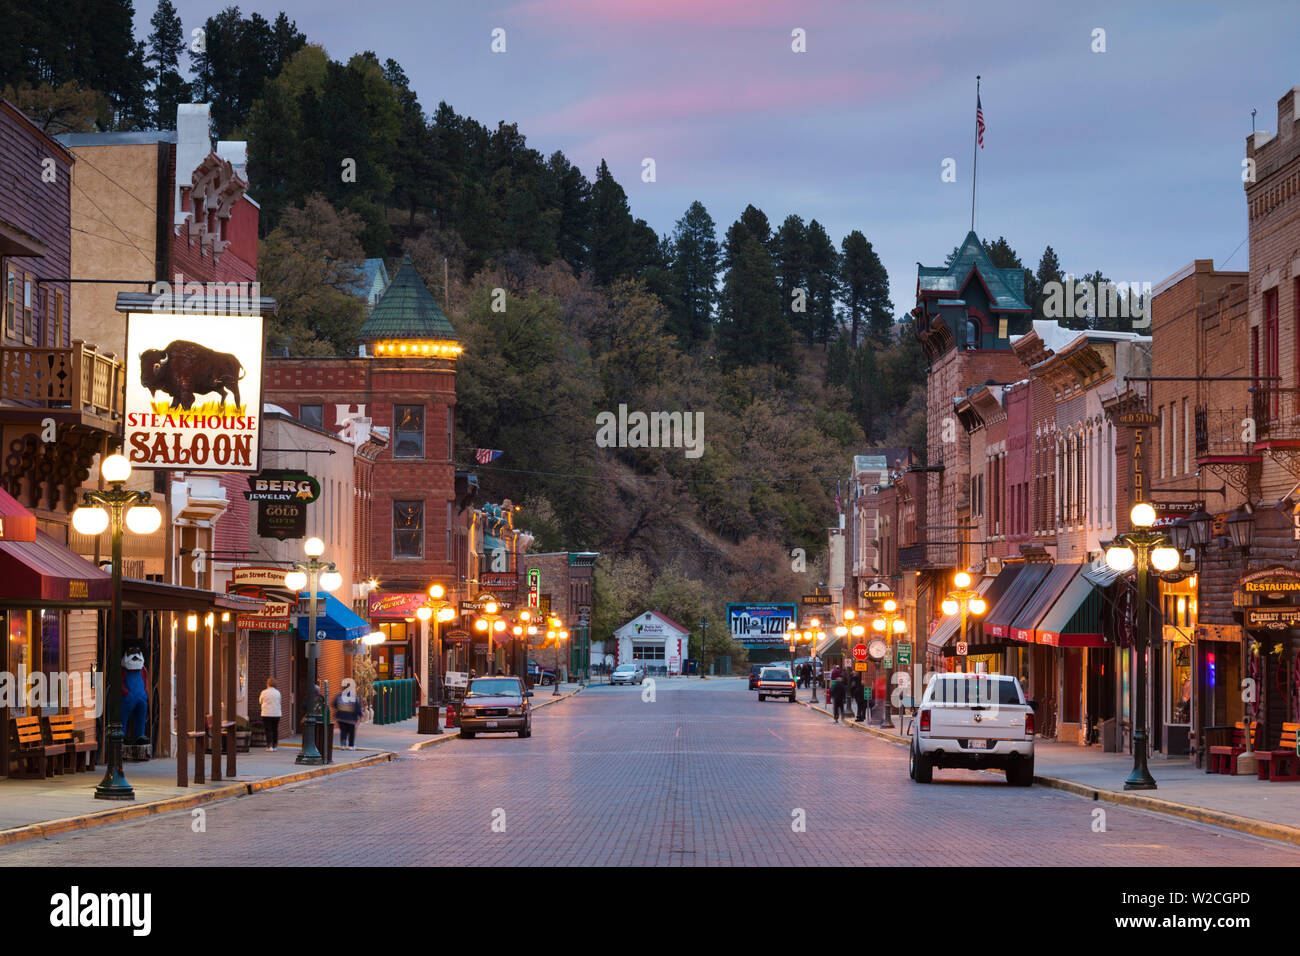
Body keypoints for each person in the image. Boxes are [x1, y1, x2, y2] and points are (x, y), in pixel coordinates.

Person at [333, 680, 363, 751]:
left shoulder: (339, 696)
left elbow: (334, 704)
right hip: (351, 719)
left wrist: (339, 709)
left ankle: (343, 744)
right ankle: (351, 746)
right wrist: (360, 715)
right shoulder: (353, 697)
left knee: (343, 731)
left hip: (341, 717)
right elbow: (357, 707)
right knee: (351, 732)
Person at [258, 678, 281, 752]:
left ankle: (269, 746)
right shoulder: (277, 692)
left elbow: (260, 701)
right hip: (276, 713)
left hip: (266, 713)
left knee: (268, 730)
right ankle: (275, 745)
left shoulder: (264, 692)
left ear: (267, 684)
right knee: (275, 729)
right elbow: (279, 701)